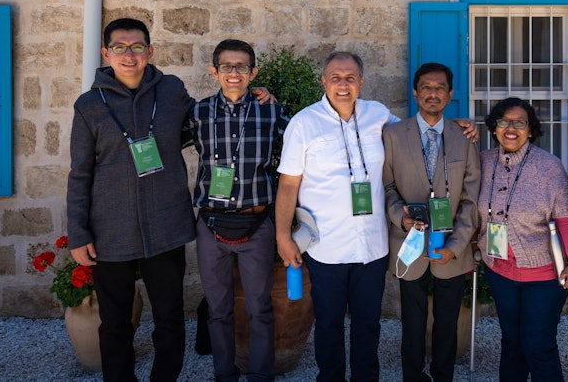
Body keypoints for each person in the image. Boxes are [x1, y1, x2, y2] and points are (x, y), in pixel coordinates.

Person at [67, 18, 195, 382]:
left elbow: (209, 120)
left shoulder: (171, 91)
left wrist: (254, 96)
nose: (129, 55)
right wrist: (78, 233)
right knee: (115, 322)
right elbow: (79, 173)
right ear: (106, 54)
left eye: (137, 47)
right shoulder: (89, 105)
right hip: (111, 230)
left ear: (150, 51)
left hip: (166, 226)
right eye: (119, 47)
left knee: (170, 317)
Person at [274, 51, 396, 382]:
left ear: (362, 82)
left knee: (368, 322)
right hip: (327, 246)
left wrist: (457, 127)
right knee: (327, 322)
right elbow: (288, 184)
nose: (343, 85)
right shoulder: (304, 123)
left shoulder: (378, 115)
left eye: (350, 78)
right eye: (336, 78)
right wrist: (283, 236)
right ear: (324, 81)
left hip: (372, 244)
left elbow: (413, 139)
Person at [188, 39, 290, 382]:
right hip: (210, 225)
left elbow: (310, 141)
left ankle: (261, 375)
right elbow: (161, 142)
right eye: (227, 67)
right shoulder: (198, 113)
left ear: (253, 72)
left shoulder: (271, 111)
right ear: (214, 72)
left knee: (260, 307)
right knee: (218, 309)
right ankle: (224, 373)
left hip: (257, 223)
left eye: (242, 67)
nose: (234, 73)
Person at [383, 63, 481, 382]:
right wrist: (401, 217)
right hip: (408, 244)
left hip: (451, 247)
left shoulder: (464, 136)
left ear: (450, 95)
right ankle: (413, 376)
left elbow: (470, 197)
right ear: (415, 92)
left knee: (447, 321)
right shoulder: (393, 135)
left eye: (440, 87)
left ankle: (443, 376)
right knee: (412, 321)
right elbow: (386, 187)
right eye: (426, 87)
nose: (433, 93)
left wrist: (457, 245)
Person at [476, 97, 568, 382]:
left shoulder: (549, 167)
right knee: (511, 342)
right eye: (504, 122)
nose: (511, 128)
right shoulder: (483, 162)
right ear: (494, 128)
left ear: (530, 130)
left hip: (545, 275)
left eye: (520, 123)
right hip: (499, 270)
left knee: (538, 344)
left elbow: (565, 219)